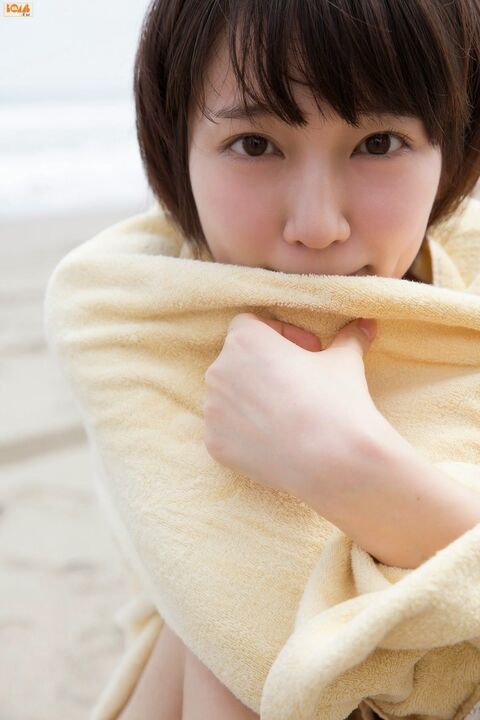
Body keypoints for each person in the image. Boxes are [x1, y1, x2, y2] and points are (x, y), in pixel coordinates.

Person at [50, 0, 480, 718]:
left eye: (378, 143)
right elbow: (250, 634)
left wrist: (343, 460)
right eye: (254, 144)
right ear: (175, 147)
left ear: (454, 148)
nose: (317, 225)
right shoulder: (134, 317)